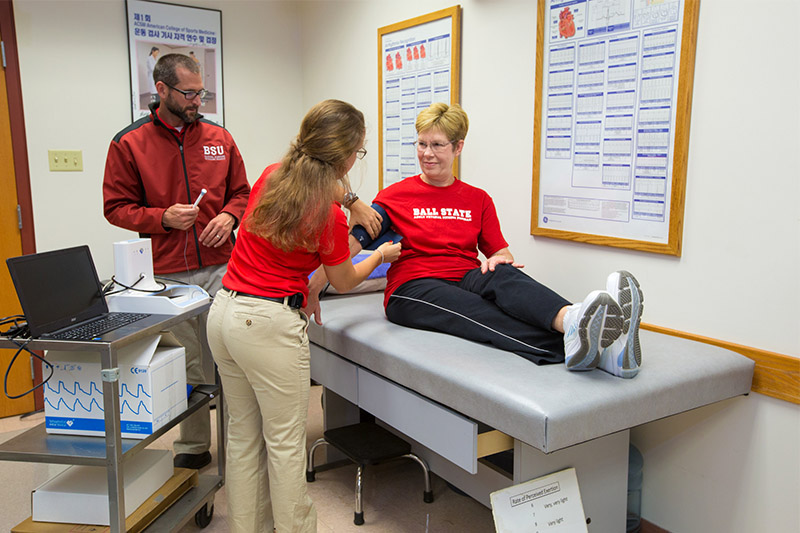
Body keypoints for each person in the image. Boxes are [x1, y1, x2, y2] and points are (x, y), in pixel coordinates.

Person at [205, 99, 401, 533]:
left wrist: (353, 200)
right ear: (347, 156)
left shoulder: (272, 177)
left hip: (223, 314)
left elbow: (320, 182)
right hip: (268, 327)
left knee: (242, 437)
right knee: (285, 446)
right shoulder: (327, 216)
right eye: (360, 151)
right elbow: (344, 280)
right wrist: (378, 253)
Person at [351, 103, 644, 378]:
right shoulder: (394, 196)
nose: (427, 153)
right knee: (481, 313)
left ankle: (575, 320)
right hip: (413, 286)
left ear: (458, 147)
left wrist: (500, 260)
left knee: (503, 274)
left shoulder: (477, 199)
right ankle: (594, 347)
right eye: (422, 144)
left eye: (437, 145)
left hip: (465, 274)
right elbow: (350, 247)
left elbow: (500, 252)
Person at [102, 53, 251, 469]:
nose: (196, 101)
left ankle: (243, 446)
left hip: (224, 264)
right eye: (188, 93)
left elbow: (243, 191)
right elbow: (115, 207)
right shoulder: (129, 143)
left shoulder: (220, 137)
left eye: (200, 92)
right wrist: (161, 217)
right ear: (161, 90)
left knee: (237, 353)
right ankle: (194, 448)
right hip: (168, 271)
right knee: (190, 363)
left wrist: (229, 215)